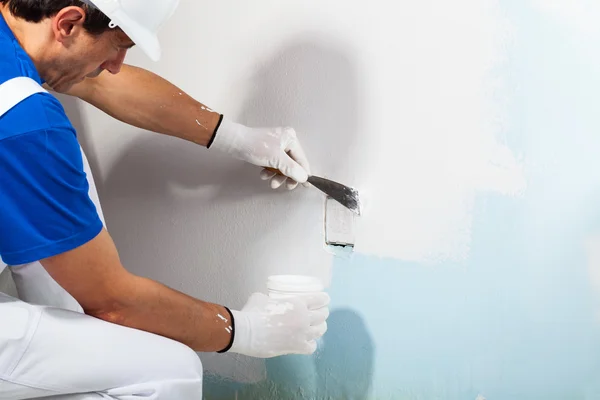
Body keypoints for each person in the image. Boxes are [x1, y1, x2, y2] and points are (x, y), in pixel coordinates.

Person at [0, 0, 330, 399]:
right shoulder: (28, 124)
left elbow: (99, 81)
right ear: (68, 22)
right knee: (170, 370)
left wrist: (239, 138)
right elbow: (113, 300)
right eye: (118, 45)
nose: (117, 64)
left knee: (60, 179)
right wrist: (247, 330)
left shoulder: (22, 37)